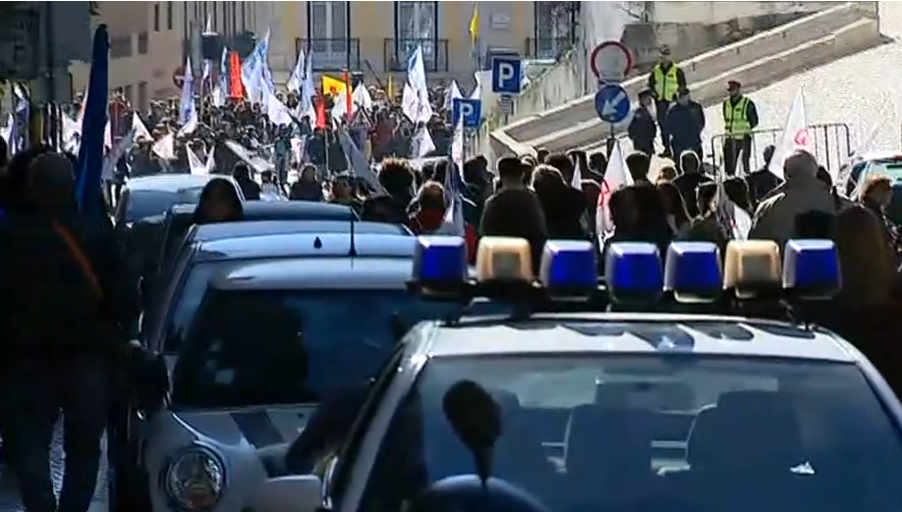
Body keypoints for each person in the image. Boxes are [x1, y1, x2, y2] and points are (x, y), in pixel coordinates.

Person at [0, 153, 138, 512]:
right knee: (84, 446)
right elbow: (125, 299)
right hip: (85, 359)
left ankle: (42, 505)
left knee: (29, 443)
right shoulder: (94, 235)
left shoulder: (8, 238)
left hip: (24, 361)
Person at [749, 149, 835, 249]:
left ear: (785, 174)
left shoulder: (768, 208)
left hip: (784, 263)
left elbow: (754, 247)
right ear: (815, 171)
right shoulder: (838, 202)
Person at [480, 157, 547, 274]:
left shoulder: (493, 202)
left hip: (500, 262)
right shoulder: (532, 200)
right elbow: (540, 231)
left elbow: (485, 233)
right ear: (522, 174)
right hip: (529, 262)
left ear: (500, 175)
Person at [646, 46, 686, 157]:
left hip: (673, 102)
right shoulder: (656, 70)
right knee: (663, 126)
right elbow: (650, 84)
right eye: (662, 55)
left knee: (676, 126)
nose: (664, 58)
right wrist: (653, 93)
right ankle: (667, 148)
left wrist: (678, 97)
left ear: (669, 56)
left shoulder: (677, 70)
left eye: (666, 55)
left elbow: (683, 86)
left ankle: (679, 147)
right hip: (661, 102)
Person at [721, 80, 759, 176]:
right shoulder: (726, 104)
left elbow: (754, 121)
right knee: (729, 166)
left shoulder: (747, 103)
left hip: (743, 139)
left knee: (744, 165)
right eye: (729, 90)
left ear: (738, 90)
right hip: (729, 138)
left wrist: (744, 129)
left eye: (733, 90)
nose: (731, 92)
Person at [665, 88, 704, 162]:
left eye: (683, 96)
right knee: (680, 163)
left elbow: (701, 122)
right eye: (680, 97)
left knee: (697, 161)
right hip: (679, 142)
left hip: (694, 140)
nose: (681, 99)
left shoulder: (695, 107)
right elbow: (668, 126)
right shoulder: (673, 110)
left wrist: (696, 132)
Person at [672, 151, 711, 219]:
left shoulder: (675, 184)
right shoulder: (707, 181)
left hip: (683, 220)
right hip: (705, 219)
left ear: (682, 165)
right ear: (697, 164)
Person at [628, 89, 657, 158]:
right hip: (643, 145)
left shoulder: (646, 110)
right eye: (648, 98)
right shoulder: (640, 113)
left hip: (647, 143)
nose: (650, 100)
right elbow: (634, 128)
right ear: (642, 100)